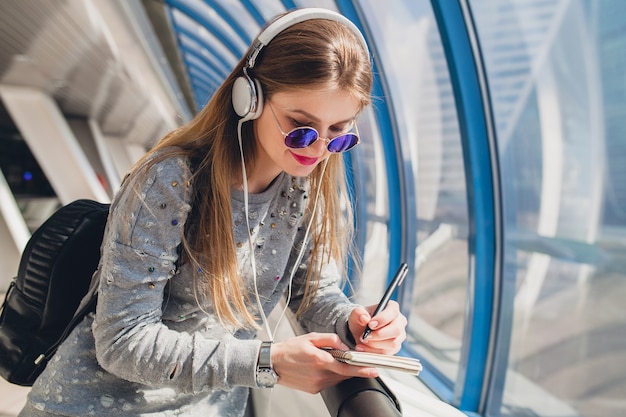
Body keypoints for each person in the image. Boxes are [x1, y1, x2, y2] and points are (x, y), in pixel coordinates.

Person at [19, 7, 407, 417]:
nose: (317, 150)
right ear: (250, 98)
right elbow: (122, 340)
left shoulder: (302, 189)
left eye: (338, 133)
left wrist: (356, 323)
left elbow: (312, 292)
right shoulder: (172, 180)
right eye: (301, 126)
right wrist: (266, 362)